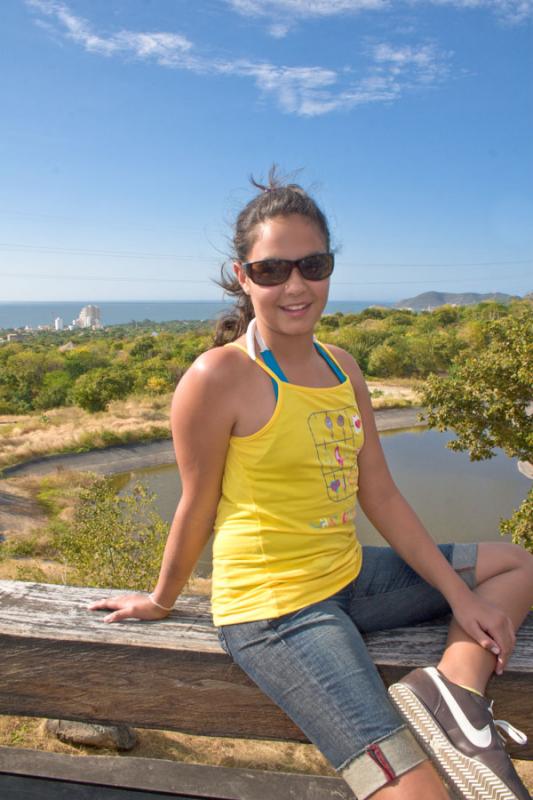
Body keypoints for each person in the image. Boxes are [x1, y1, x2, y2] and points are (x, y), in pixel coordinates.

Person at [89, 169, 533, 800]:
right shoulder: (218, 376)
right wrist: (162, 601)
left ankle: (455, 693)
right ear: (244, 277)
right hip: (276, 611)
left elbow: (378, 493)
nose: (295, 286)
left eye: (312, 265)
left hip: (352, 576)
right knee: (414, 791)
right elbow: (198, 503)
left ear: (329, 269)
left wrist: (459, 599)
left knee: (516, 565)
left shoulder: (341, 366)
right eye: (272, 271)